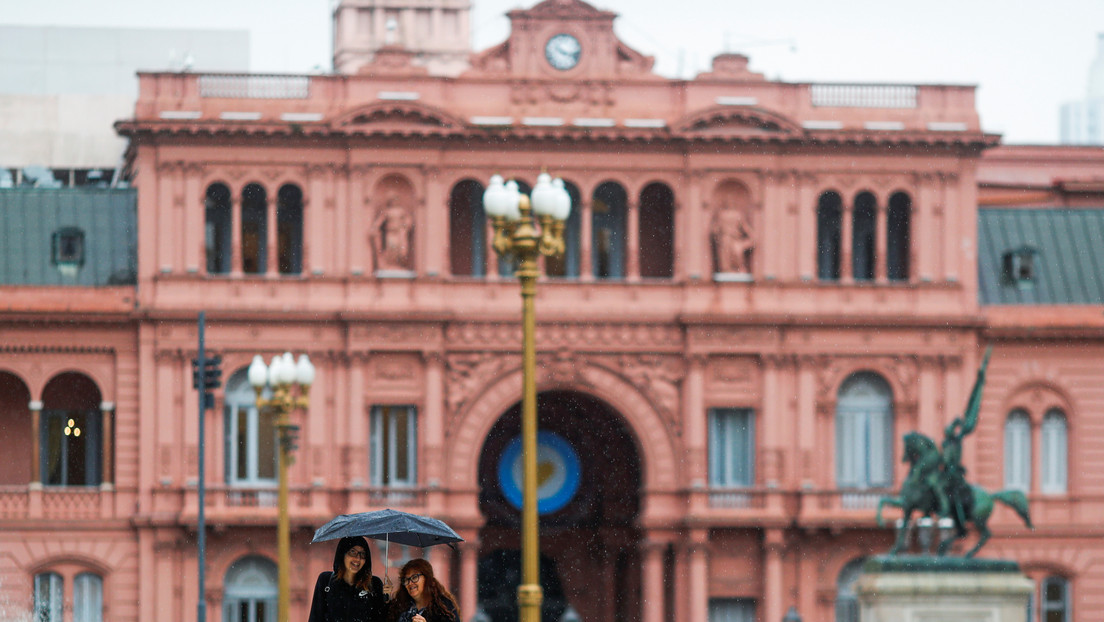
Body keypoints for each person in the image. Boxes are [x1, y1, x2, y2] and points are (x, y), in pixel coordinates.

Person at [309, 536, 388, 622]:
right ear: (343, 554)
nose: (358, 558)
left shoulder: (374, 584)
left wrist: (387, 600)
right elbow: (315, 617)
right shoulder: (326, 581)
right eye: (353, 552)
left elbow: (381, 618)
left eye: (363, 554)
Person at [389, 558, 461, 622]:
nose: (410, 583)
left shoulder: (444, 607)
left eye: (414, 577)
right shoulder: (398, 606)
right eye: (406, 580)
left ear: (427, 579)